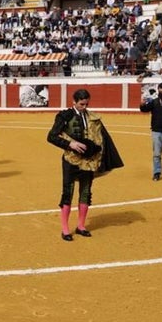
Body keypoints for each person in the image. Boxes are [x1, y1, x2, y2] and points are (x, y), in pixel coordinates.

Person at [47, 88, 106, 241]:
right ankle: (65, 229)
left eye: (86, 104)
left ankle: (81, 226)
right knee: (68, 192)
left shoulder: (92, 117)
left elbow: (99, 138)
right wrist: (70, 144)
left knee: (86, 192)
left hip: (88, 160)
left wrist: (95, 148)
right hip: (71, 159)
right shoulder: (64, 116)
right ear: (74, 102)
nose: (84, 107)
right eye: (81, 104)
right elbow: (51, 136)